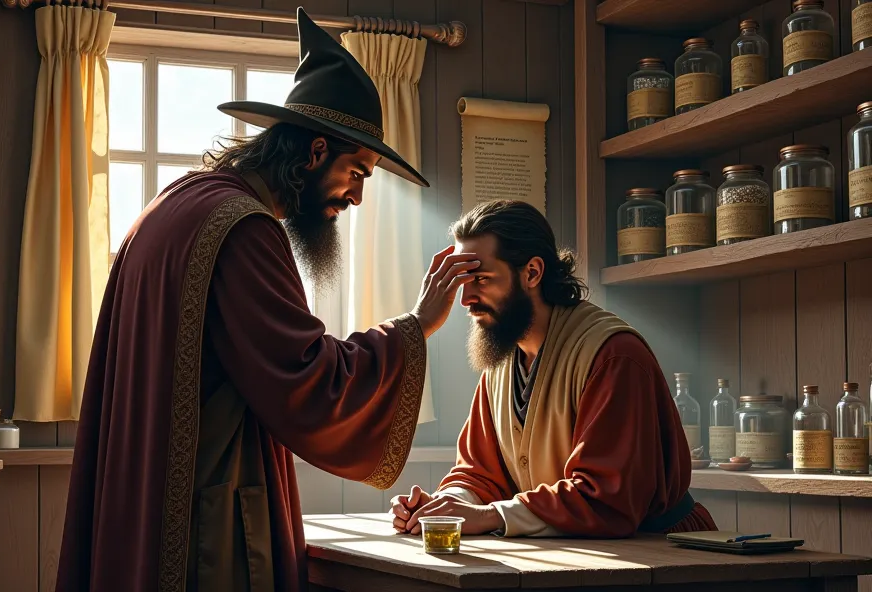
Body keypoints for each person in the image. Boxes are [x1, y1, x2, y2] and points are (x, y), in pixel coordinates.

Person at [55, 8, 480, 592]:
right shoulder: (244, 229)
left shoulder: (174, 204)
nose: (356, 196)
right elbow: (307, 379)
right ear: (314, 152)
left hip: (137, 499)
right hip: (202, 519)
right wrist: (416, 325)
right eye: (356, 171)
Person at [390, 200, 718, 538]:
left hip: (660, 549)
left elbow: (605, 496)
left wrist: (489, 516)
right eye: (464, 282)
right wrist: (447, 505)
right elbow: (479, 472)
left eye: (483, 279)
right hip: (578, 551)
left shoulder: (613, 355)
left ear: (532, 272)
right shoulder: (502, 360)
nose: (466, 299)